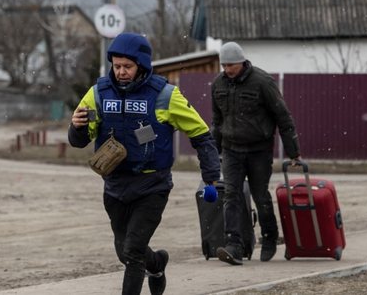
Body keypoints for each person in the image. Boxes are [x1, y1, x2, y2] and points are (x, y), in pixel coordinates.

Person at [68, 33, 220, 295]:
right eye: (116, 66)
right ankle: (157, 264)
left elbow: (200, 134)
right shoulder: (98, 94)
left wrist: (210, 175)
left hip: (152, 185)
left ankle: (147, 268)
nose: (121, 72)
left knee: (133, 251)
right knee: (124, 251)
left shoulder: (165, 95)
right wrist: (77, 127)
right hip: (114, 185)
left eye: (127, 66)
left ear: (142, 65)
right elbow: (80, 140)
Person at [212, 41, 300, 265]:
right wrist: (212, 153)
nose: (228, 70)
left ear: (242, 62)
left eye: (231, 65)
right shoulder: (218, 85)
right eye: (224, 65)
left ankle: (269, 237)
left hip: (259, 150)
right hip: (231, 149)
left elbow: (283, 116)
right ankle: (234, 244)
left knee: (260, 196)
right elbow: (217, 121)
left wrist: (293, 152)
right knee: (231, 194)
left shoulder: (262, 82)